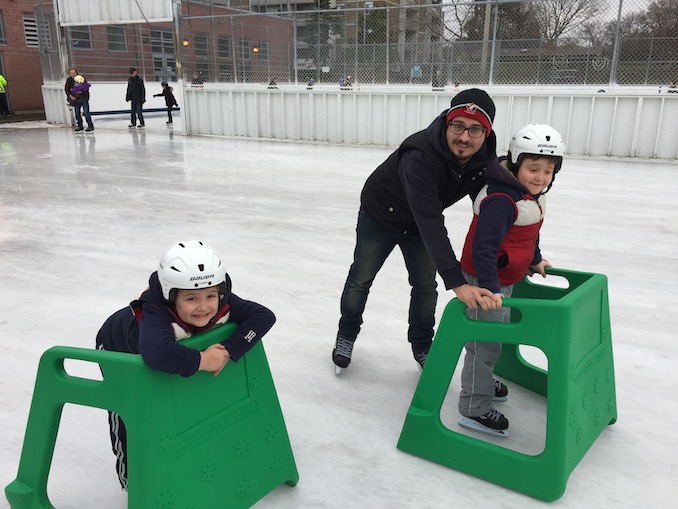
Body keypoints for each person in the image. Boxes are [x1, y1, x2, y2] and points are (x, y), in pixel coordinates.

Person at [332, 88, 501, 375]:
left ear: (486, 134)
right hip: (380, 217)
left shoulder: (482, 159)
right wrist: (458, 282)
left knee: (425, 286)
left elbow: (497, 199)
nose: (464, 137)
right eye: (458, 126)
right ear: (447, 123)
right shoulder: (420, 156)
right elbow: (431, 222)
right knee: (361, 278)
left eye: (475, 130)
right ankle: (346, 334)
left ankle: (422, 345)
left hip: (418, 222)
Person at [95, 240, 276, 490]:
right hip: (119, 349)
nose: (204, 307)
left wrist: (230, 350)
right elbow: (157, 354)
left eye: (211, 296)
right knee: (127, 411)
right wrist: (203, 360)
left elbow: (264, 316)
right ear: (171, 296)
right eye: (191, 298)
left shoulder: (224, 301)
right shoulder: (156, 312)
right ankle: (132, 482)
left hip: (160, 350)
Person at [456, 124, 565, 437]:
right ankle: (473, 408)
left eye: (548, 171)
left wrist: (534, 259)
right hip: (483, 280)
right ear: (516, 164)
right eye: (533, 169)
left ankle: (484, 382)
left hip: (501, 279)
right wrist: (488, 286)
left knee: (493, 340)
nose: (541, 177)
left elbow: (529, 233)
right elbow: (484, 248)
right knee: (483, 345)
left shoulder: (530, 196)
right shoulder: (501, 200)